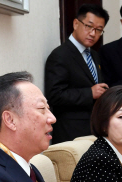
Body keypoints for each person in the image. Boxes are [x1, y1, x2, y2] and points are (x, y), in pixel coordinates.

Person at [44, 4, 110, 143]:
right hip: (70, 134)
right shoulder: (60, 55)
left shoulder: (94, 55)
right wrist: (89, 93)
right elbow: (55, 95)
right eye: (89, 26)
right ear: (75, 23)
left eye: (99, 30)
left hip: (93, 130)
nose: (93, 33)